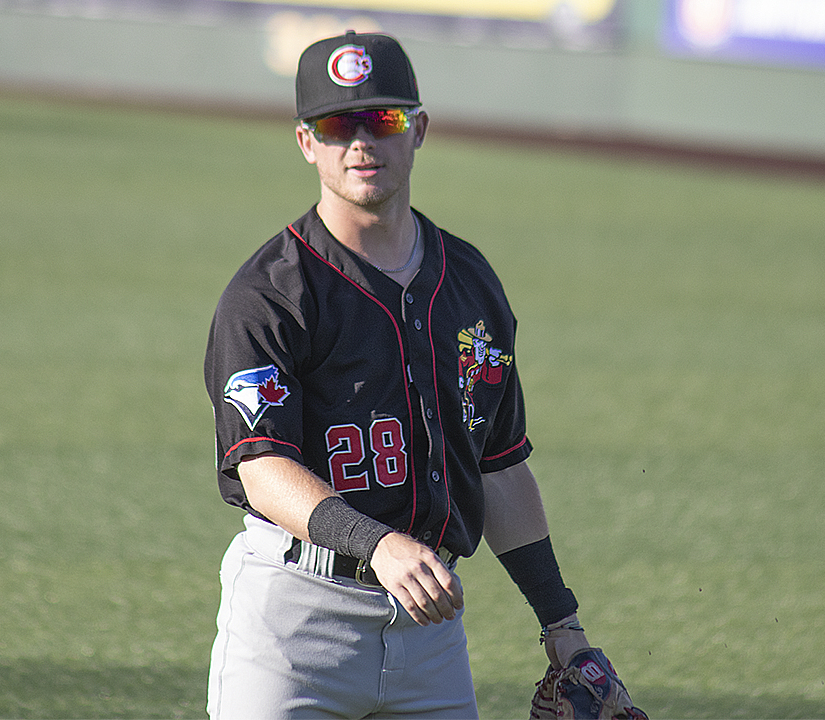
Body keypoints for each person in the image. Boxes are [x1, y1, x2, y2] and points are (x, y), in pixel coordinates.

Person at [204, 30, 631, 718]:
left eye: (383, 119)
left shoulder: (470, 283)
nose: (361, 142)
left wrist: (562, 624)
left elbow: (497, 463)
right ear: (306, 142)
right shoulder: (269, 295)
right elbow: (260, 465)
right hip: (293, 630)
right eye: (337, 124)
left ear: (419, 129)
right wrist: (377, 545)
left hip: (429, 639)